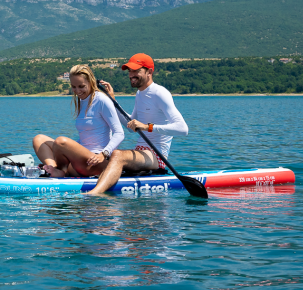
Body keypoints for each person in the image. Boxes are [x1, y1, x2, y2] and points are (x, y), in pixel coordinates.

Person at [84, 53, 189, 195]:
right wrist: (113, 101)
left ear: (149, 72)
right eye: (130, 71)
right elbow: (130, 126)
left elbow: (183, 129)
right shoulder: (140, 94)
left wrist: (147, 127)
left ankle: (94, 194)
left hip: (157, 156)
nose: (131, 75)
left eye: (136, 71)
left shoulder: (160, 93)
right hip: (141, 152)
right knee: (101, 156)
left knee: (117, 155)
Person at [31, 64, 124, 178]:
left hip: (97, 160)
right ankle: (55, 169)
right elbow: (86, 138)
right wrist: (68, 149)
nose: (77, 91)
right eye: (73, 87)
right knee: (39, 139)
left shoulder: (102, 100)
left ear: (91, 82)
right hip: (81, 158)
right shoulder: (82, 101)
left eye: (81, 86)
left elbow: (119, 133)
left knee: (61, 142)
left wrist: (103, 154)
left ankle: (61, 171)